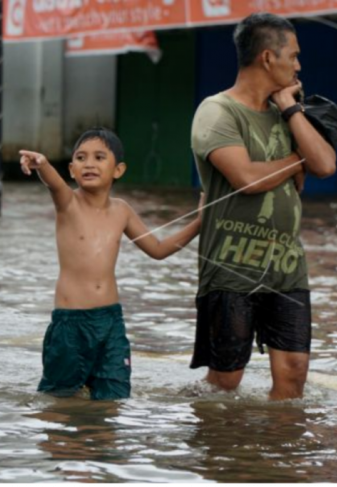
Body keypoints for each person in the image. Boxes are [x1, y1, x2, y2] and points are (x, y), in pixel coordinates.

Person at [190, 12, 337, 400]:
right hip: (231, 266)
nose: (299, 65)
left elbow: (324, 165)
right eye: (294, 55)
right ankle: (221, 450)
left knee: (294, 374)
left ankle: (277, 455)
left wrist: (291, 111)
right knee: (226, 382)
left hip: (287, 265)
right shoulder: (216, 111)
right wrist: (296, 161)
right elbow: (246, 178)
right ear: (268, 58)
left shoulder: (288, 113)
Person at [20, 127, 203, 401]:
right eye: (81, 158)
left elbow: (159, 249)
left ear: (118, 170)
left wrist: (201, 222)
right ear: (71, 170)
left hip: (111, 323)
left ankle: (101, 442)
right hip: (71, 325)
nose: (89, 164)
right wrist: (42, 164)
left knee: (114, 399)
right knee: (60, 402)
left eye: (98, 157)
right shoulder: (68, 204)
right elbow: (55, 185)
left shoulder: (122, 211)